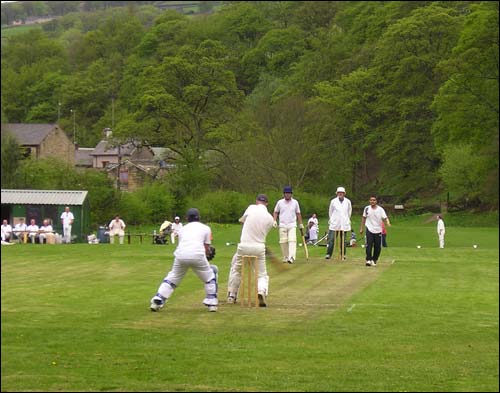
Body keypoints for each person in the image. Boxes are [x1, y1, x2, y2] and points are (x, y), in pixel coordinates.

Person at [150, 208, 219, 312]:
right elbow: (206, 248)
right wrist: (207, 255)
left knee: (173, 278)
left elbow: (182, 245)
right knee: (210, 276)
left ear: (187, 218)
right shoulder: (206, 228)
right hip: (197, 255)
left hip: (180, 255)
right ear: (199, 217)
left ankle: (158, 299)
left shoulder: (182, 229)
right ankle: (211, 302)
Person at [227, 194, 274, 306]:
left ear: (257, 201)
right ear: (266, 203)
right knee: (261, 274)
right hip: (259, 247)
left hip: (243, 246)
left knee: (236, 269)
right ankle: (261, 291)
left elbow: (242, 221)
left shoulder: (251, 208)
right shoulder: (270, 218)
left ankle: (232, 295)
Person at [272, 186, 304, 264]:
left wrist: (300, 224)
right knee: (283, 242)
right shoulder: (280, 202)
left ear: (291, 194)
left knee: (292, 240)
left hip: (292, 224)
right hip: (282, 224)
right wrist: (274, 220)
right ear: (284, 194)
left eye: (289, 193)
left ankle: (292, 257)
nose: (287, 195)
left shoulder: (295, 202)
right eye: (286, 193)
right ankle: (285, 257)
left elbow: (298, 213)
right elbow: (276, 212)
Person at [359, 195, 391, 267]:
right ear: (369, 201)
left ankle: (374, 259)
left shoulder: (380, 209)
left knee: (377, 247)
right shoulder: (367, 208)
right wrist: (361, 228)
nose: (372, 201)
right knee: (368, 245)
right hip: (369, 229)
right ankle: (368, 259)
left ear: (376, 201)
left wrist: (388, 222)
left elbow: (385, 217)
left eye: (374, 200)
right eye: (371, 200)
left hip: (378, 230)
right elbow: (363, 218)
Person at [326, 186, 352, 260]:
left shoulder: (348, 201)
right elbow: (330, 212)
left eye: (342, 193)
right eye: (339, 193)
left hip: (344, 223)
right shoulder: (333, 201)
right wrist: (332, 219)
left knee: (343, 240)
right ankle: (328, 254)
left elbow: (349, 212)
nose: (340, 194)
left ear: (344, 194)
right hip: (334, 223)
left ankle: (343, 254)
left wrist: (346, 219)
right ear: (337, 193)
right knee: (331, 239)